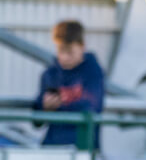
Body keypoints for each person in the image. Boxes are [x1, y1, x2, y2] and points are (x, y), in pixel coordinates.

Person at [32, 20, 105, 149]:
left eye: (70, 52)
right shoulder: (50, 74)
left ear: (82, 46)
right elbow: (36, 121)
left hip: (83, 150)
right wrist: (44, 107)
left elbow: (92, 107)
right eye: (61, 50)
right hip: (52, 148)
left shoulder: (93, 72)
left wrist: (60, 104)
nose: (65, 57)